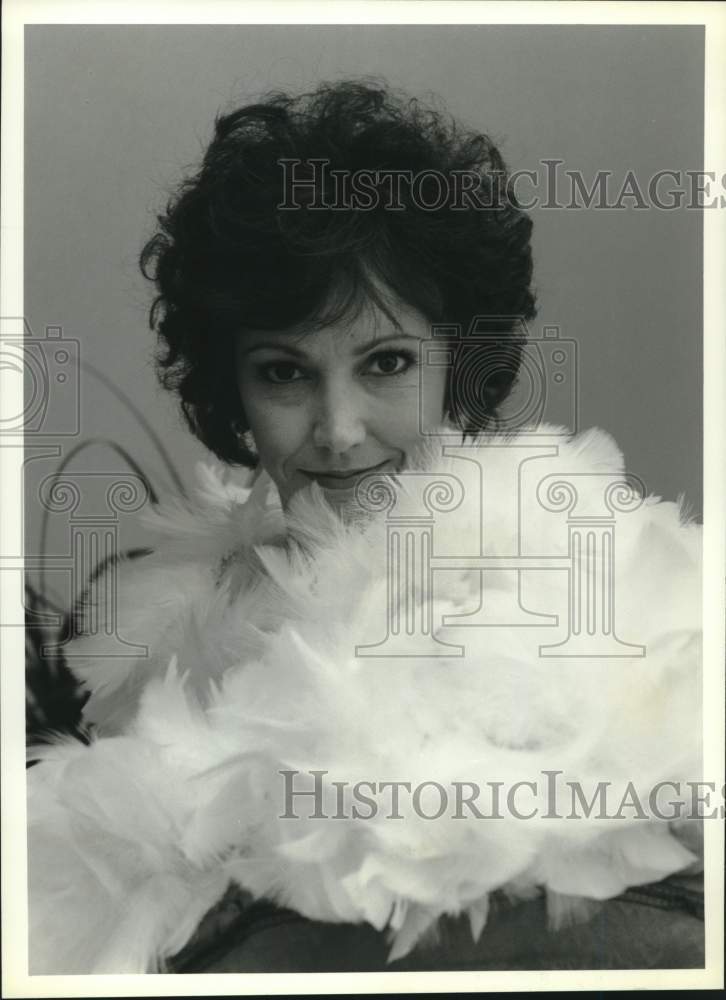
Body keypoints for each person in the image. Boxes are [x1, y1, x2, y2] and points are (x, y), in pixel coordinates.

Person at [26, 80, 704, 974]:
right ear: (233, 387)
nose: (339, 429)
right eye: (285, 373)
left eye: (386, 363)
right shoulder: (169, 630)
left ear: (462, 359)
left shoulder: (574, 599)